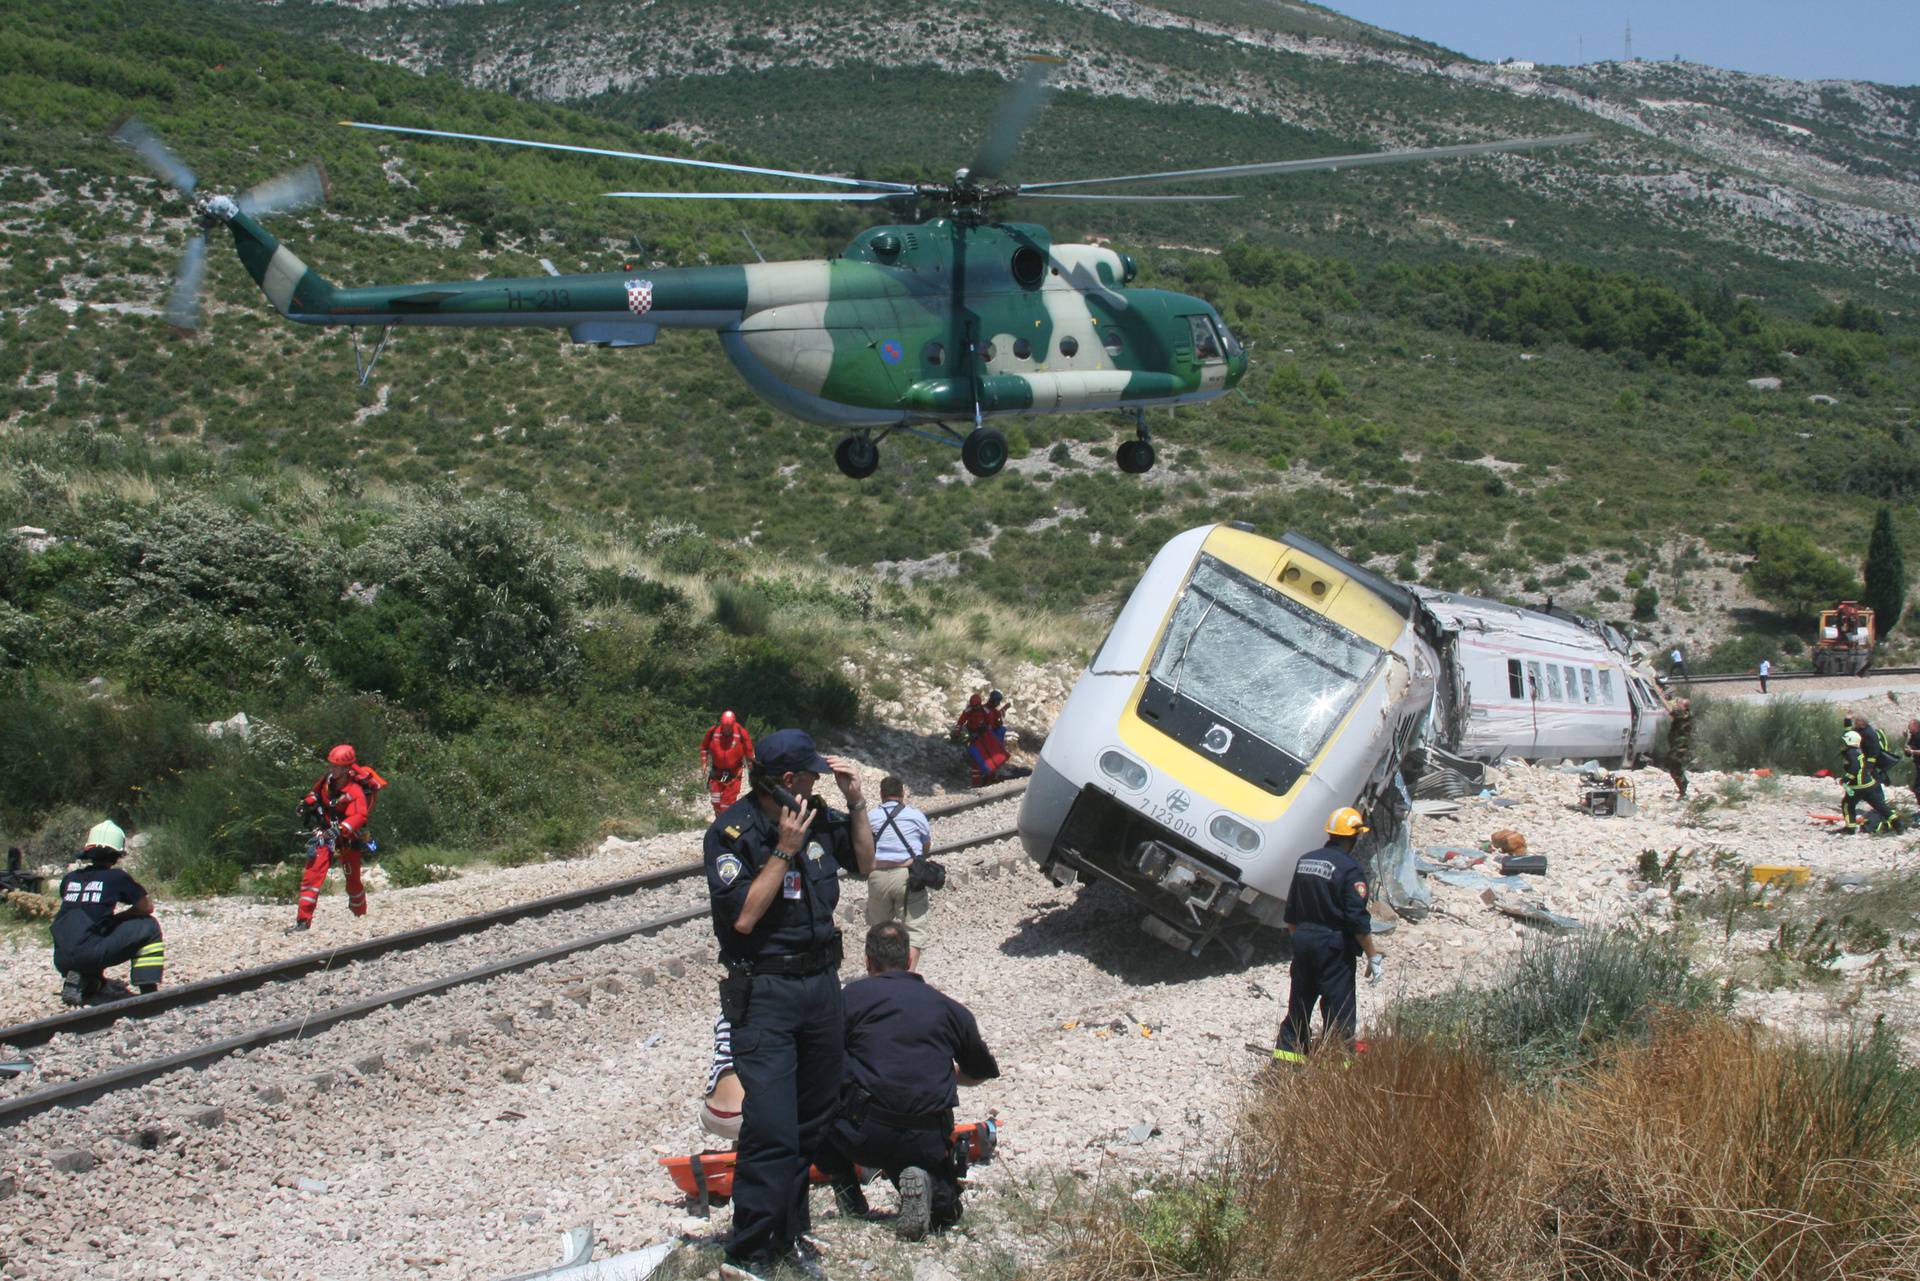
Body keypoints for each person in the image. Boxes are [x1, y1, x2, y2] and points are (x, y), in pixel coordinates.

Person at [704, 728, 874, 1280]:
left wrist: (856, 803)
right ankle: (748, 1253)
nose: (815, 784)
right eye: (809, 777)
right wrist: (783, 851)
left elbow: (867, 864)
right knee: (772, 1126)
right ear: (783, 780)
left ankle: (789, 1231)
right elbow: (744, 917)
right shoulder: (733, 833)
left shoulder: (819, 818)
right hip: (767, 993)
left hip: (821, 986)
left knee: (812, 1119)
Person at [816, 921, 999, 1241]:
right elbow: (980, 1071)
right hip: (927, 1136)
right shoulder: (949, 1008)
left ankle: (847, 1191)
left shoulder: (848, 999)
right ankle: (922, 1183)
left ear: (868, 961)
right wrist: (950, 1075)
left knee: (815, 1090)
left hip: (863, 1134)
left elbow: (817, 1060)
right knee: (944, 1216)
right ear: (910, 959)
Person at [1274, 808, 1382, 1064]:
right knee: (1339, 1011)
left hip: (1303, 941)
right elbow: (1358, 920)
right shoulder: (1349, 870)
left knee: (1298, 1008)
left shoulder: (1306, 861)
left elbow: (1291, 915)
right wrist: (1372, 956)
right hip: (1334, 947)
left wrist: (1301, 946)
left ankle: (1285, 1065)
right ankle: (1337, 1069)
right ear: (1352, 838)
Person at [53, 821, 164, 1007]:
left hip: (62, 956)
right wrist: (121, 917)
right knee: (149, 926)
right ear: (116, 854)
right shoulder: (117, 877)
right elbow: (146, 907)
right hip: (90, 951)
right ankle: (148, 990)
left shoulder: (70, 879)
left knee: (95, 933)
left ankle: (85, 980)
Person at [293, 743, 387, 932]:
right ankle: (303, 921)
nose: (333, 769)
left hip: (347, 839)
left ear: (346, 769)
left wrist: (340, 829)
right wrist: (306, 803)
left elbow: (360, 816)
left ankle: (360, 914)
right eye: (332, 765)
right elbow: (316, 793)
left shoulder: (355, 792)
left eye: (337, 766)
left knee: (352, 881)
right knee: (312, 875)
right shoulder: (327, 781)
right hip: (326, 834)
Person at [866, 777, 931, 970]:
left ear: (881, 794)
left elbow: (862, 845)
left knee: (878, 929)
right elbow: (926, 845)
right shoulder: (916, 815)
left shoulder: (871, 816)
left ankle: (878, 976)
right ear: (902, 793)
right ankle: (908, 976)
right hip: (907, 875)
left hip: (877, 875)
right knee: (914, 928)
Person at [1840, 729, 1903, 835]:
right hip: (1869, 785)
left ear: (1849, 741)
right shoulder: (1858, 751)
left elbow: (1854, 768)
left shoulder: (1850, 753)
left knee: (1847, 804)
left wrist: (1846, 778)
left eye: (1845, 741)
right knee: (1880, 806)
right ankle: (1898, 825)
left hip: (1858, 787)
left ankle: (1850, 828)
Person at [700, 1014, 745, 1146]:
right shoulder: (772, 1009)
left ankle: (739, 1155)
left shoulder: (723, 1016)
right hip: (743, 1116)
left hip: (711, 1113)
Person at [701, 710, 757, 817]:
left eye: (729, 727)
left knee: (727, 804)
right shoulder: (713, 732)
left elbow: (749, 751)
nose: (727, 730)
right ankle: (720, 821)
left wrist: (752, 767)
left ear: (734, 724)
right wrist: (704, 762)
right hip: (717, 774)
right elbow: (704, 748)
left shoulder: (741, 732)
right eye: (724, 727)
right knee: (716, 801)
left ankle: (726, 824)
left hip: (734, 774)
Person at [951, 694, 1004, 788]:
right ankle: (976, 783)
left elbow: (990, 724)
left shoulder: (986, 711)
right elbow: (960, 722)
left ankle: (989, 779)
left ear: (979, 704)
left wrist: (984, 729)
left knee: (988, 759)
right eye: (973, 706)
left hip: (984, 738)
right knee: (975, 761)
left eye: (976, 706)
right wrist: (956, 732)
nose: (974, 708)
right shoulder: (968, 710)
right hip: (973, 738)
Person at [1662, 698, 1694, 799]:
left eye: (1680, 703)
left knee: (1674, 764)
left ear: (1684, 707)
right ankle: (1683, 788)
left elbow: (1669, 709)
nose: (1677, 704)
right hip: (1676, 746)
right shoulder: (1683, 714)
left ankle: (1683, 790)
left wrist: (1657, 691)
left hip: (1680, 747)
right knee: (1673, 768)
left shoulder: (1683, 714)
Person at [1905, 718, 1920, 806]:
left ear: (1915, 726)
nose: (1908, 728)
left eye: (1909, 726)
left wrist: (1913, 752)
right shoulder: (1913, 736)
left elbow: (1911, 751)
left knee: (1918, 789)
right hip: (1917, 765)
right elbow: (1907, 751)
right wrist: (1906, 738)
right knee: (1916, 789)